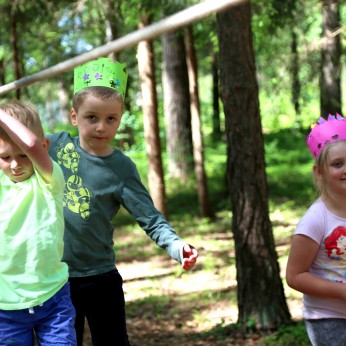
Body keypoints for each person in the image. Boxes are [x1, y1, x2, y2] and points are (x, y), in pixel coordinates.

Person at [47, 57, 198, 346]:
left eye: (110, 118)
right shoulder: (53, 146)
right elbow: (15, 149)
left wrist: (176, 246)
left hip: (100, 277)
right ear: (74, 117)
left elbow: (151, 218)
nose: (102, 127)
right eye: (92, 117)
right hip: (55, 279)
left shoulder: (121, 168)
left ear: (120, 117)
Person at [0, 101, 77, 345]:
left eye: (23, 155)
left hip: (53, 300)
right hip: (6, 307)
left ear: (44, 147)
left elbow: (31, 143)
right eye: (5, 157)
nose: (15, 164)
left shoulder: (48, 181)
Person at [286, 113, 346, 346]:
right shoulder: (315, 219)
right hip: (328, 320)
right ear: (319, 172)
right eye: (337, 164)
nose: (345, 169)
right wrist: (342, 292)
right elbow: (295, 276)